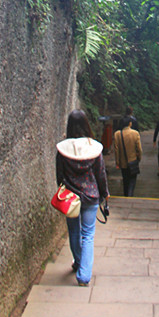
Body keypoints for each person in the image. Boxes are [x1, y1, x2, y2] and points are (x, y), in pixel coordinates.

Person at [55, 109, 109, 286]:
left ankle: (78, 262)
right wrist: (104, 193)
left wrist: (63, 189)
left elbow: (59, 175)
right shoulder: (93, 147)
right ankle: (84, 275)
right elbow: (100, 173)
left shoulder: (63, 148)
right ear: (86, 124)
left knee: (74, 231)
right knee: (88, 234)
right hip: (91, 196)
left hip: (71, 197)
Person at [114, 116, 142, 197]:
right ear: (130, 123)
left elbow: (116, 150)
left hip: (123, 162)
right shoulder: (135, 133)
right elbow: (139, 149)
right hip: (133, 161)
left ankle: (126, 195)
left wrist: (118, 162)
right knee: (132, 180)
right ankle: (130, 195)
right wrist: (139, 158)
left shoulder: (117, 134)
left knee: (125, 180)